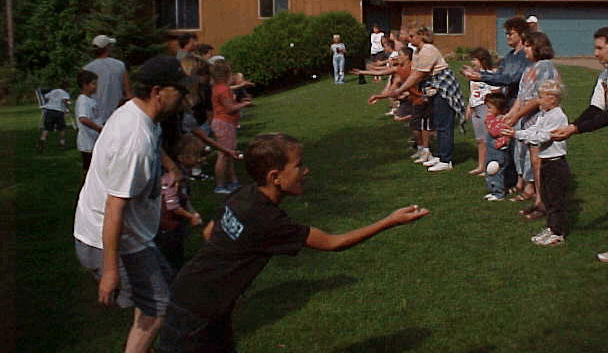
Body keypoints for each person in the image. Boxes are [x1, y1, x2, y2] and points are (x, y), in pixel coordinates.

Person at [155, 132, 429, 353]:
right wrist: (389, 221)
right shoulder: (267, 219)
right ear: (275, 177)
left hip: (198, 295)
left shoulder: (244, 194)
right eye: (298, 165)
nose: (306, 171)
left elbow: (209, 232)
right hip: (198, 308)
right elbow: (333, 243)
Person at [74, 56, 192, 353]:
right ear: (157, 91)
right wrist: (110, 271)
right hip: (110, 239)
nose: (183, 97)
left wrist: (169, 165)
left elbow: (154, 143)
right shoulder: (134, 140)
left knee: (163, 296)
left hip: (131, 235)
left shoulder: (136, 114)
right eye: (178, 91)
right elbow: (115, 207)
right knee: (157, 310)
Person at [551, 27, 608, 270]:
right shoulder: (605, 75)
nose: (595, 53)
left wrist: (575, 131)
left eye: (600, 48)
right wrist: (572, 124)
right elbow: (595, 109)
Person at [386, 26, 465, 172]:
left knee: (444, 124)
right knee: (438, 122)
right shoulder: (417, 52)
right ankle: (441, 155)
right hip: (433, 89)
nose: (409, 39)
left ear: (421, 36)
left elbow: (418, 75)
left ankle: (446, 160)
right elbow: (414, 72)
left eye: (411, 36)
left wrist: (399, 90)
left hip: (443, 88)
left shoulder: (428, 50)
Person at [504, 79, 569, 246]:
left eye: (542, 97)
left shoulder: (557, 116)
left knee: (555, 199)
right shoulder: (544, 114)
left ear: (553, 98)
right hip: (546, 161)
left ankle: (557, 232)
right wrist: (516, 132)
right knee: (547, 196)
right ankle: (551, 227)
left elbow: (543, 136)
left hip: (556, 163)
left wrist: (516, 135)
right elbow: (535, 131)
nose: (538, 100)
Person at [503, 31, 560, 218]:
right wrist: (510, 115)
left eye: (528, 45)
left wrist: (517, 114)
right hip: (527, 122)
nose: (524, 49)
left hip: (541, 121)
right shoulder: (529, 69)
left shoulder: (544, 67)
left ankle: (542, 202)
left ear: (538, 47)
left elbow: (539, 97)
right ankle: (537, 199)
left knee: (539, 162)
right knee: (533, 161)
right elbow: (521, 97)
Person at [156, 133, 205, 271]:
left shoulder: (183, 174)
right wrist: (190, 217)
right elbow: (172, 206)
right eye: (196, 156)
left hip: (176, 223)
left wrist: (192, 210)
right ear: (182, 158)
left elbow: (184, 197)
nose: (200, 159)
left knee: (178, 249)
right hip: (167, 224)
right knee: (171, 256)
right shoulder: (173, 178)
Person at [460, 17, 530, 107]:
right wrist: (477, 73)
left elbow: (510, 79)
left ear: (522, 34)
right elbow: (499, 75)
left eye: (511, 34)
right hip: (509, 101)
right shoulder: (509, 56)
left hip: (521, 103)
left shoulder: (525, 56)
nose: (507, 37)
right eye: (506, 34)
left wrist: (481, 76)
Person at [210, 60, 252, 194]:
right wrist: (244, 105)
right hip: (224, 123)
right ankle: (220, 185)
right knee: (223, 154)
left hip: (223, 122)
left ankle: (233, 182)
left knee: (229, 153)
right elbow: (230, 108)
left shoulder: (216, 88)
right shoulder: (223, 89)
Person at [465, 47, 500, 175]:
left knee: (488, 138)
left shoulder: (491, 73)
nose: (472, 62)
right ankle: (481, 165)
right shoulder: (474, 74)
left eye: (474, 59)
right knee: (480, 139)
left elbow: (497, 89)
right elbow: (473, 92)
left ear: (482, 59)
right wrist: (469, 107)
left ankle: (490, 164)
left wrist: (487, 96)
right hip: (475, 107)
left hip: (485, 107)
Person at [83, 34, 132, 124]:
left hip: (95, 113)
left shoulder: (87, 68)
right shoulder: (120, 65)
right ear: (107, 48)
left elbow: (84, 94)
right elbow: (127, 91)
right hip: (116, 112)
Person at [482, 92, 516, 201]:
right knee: (490, 170)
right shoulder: (494, 119)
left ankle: (499, 193)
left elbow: (494, 132)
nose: (488, 110)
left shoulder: (502, 120)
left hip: (498, 151)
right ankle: (493, 190)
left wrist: (489, 119)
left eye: (490, 108)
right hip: (491, 150)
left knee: (495, 171)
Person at [75, 70, 102, 180]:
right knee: (89, 171)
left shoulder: (90, 100)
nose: (95, 87)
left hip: (94, 140)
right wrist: (98, 128)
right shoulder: (82, 100)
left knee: (94, 170)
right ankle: (83, 193)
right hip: (87, 142)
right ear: (85, 85)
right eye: (93, 84)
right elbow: (83, 118)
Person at [36, 81, 71, 152]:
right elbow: (65, 101)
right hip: (58, 111)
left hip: (49, 110)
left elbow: (46, 97)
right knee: (61, 128)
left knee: (46, 128)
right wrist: (66, 109)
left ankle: (42, 141)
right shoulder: (65, 93)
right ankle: (62, 143)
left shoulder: (53, 91)